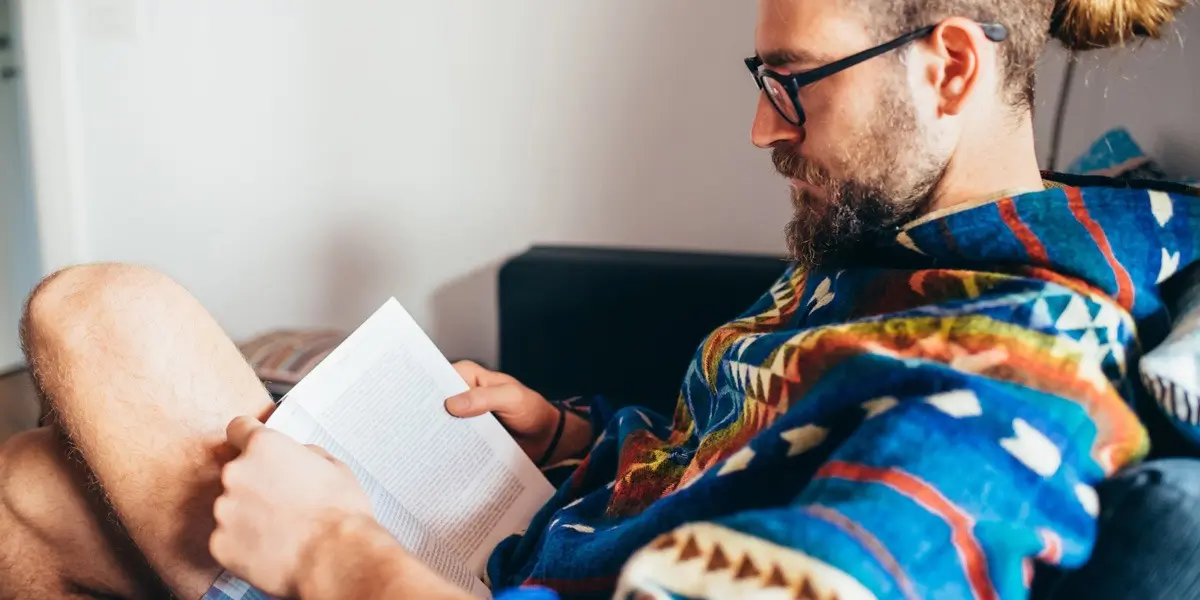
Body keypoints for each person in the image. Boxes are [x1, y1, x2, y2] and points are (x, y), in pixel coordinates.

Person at [3, 0, 1200, 597]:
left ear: (946, 67)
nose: (759, 128)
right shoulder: (887, 263)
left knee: (100, 313)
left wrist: (328, 548)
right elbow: (735, 470)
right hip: (531, 535)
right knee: (23, 493)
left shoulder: (1020, 365)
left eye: (794, 85)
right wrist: (574, 433)